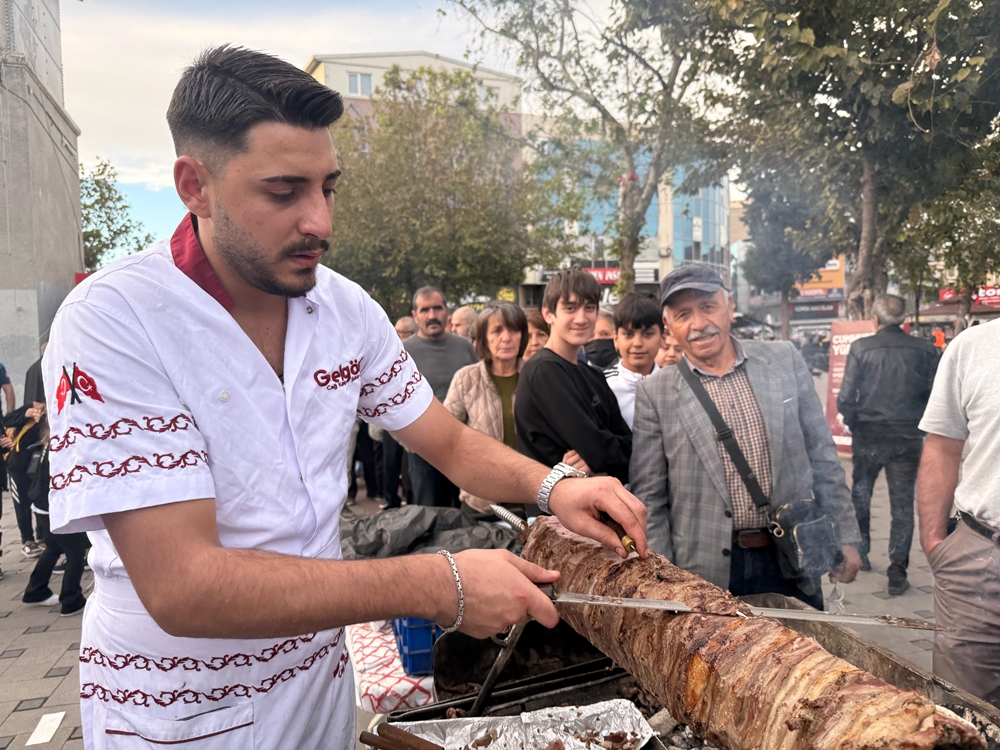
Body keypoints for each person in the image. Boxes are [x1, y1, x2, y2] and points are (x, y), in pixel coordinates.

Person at [43, 47, 648, 749]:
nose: (321, 222)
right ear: (193, 185)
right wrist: (438, 585)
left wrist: (554, 487)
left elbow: (447, 442)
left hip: (318, 690)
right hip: (180, 710)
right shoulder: (115, 320)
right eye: (284, 191)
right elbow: (183, 584)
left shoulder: (343, 310)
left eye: (329, 187)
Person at [630, 265, 862, 608]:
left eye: (708, 307)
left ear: (729, 306)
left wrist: (846, 535)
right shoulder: (656, 392)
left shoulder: (783, 359)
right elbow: (650, 496)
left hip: (792, 554)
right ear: (668, 326)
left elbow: (822, 454)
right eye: (683, 315)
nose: (698, 324)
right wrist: (667, 581)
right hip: (706, 571)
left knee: (803, 655)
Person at [917, 318, 1000, 705]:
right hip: (979, 557)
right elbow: (943, 446)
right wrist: (936, 542)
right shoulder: (973, 345)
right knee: (962, 712)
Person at [836, 294, 939, 595]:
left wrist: (855, 421)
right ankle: (898, 568)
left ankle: (862, 553)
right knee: (902, 504)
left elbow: (845, 397)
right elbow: (935, 396)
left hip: (868, 434)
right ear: (904, 319)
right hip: (907, 437)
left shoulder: (861, 348)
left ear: (876, 320)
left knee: (862, 494)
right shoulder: (925, 350)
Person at [515, 269, 631, 484]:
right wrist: (602, 457)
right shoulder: (543, 371)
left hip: (596, 506)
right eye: (570, 308)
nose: (581, 318)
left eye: (589, 308)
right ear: (548, 314)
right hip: (554, 513)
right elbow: (596, 446)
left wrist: (602, 459)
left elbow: (628, 450)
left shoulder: (593, 375)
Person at [19, 358, 89, 617]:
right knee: (75, 549)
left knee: (55, 546)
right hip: (53, 505)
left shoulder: (51, 439)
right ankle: (72, 599)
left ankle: (35, 590)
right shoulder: (63, 443)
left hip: (44, 506)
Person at [445, 303, 527, 512]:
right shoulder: (466, 379)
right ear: (483, 339)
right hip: (481, 504)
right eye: (497, 331)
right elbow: (446, 436)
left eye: (514, 330)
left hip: (533, 502)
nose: (506, 338)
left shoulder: (537, 375)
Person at [403, 286, 478, 506]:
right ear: (415, 315)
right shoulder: (402, 353)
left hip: (466, 448)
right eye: (425, 310)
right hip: (424, 452)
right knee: (430, 516)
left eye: (437, 308)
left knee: (468, 515)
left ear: (447, 311)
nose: (432, 315)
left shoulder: (465, 348)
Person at [604, 293, 662, 429]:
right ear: (616, 339)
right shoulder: (602, 387)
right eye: (628, 334)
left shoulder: (676, 386)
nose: (637, 343)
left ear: (662, 337)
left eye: (647, 334)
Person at [584, 304, 619, 369]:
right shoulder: (573, 376)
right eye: (590, 335)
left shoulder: (633, 376)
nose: (597, 339)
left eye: (605, 334)